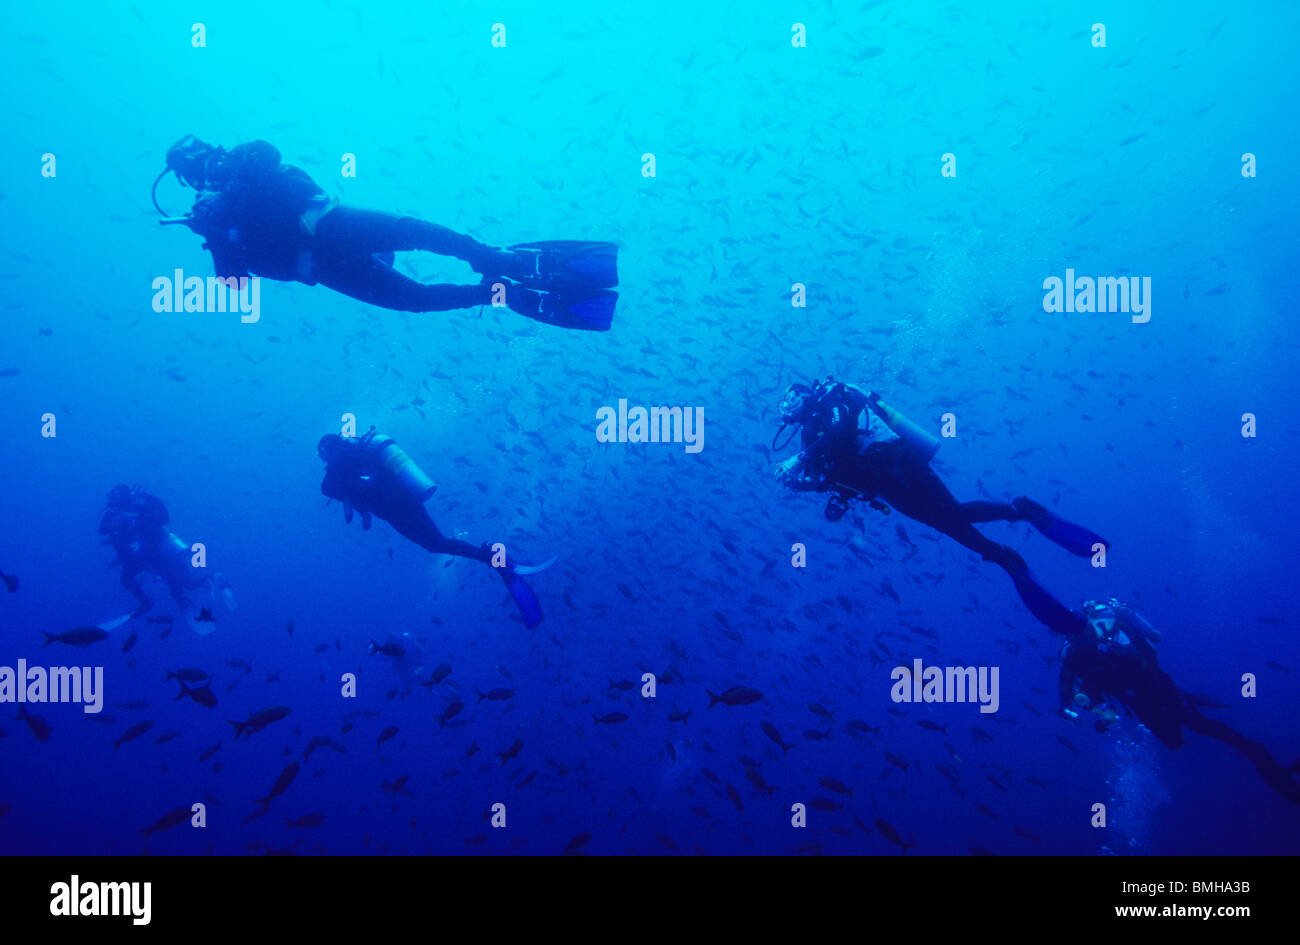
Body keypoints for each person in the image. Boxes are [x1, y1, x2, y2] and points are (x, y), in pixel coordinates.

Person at [153, 136, 619, 330]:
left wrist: (228, 177)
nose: (201, 170)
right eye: (192, 171)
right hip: (321, 265)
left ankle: (496, 260)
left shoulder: (242, 162)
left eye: (198, 162)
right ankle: (495, 293)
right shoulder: (209, 218)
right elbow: (235, 286)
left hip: (331, 225)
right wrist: (211, 235)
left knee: (411, 230)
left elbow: (268, 154)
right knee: (411, 299)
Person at [771, 379, 1107, 634]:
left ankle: (1020, 510)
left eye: (791, 397)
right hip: (883, 486)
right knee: (943, 524)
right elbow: (828, 478)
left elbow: (845, 429)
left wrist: (800, 459)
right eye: (785, 403)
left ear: (805, 395)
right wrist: (801, 482)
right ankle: (1001, 556)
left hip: (897, 461)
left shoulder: (831, 400)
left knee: (952, 513)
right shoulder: (810, 435)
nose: (788, 406)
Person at [1059, 599, 1300, 805]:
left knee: (1201, 725)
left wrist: (1119, 652)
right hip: (1139, 703)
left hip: (1159, 688)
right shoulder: (1074, 655)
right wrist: (1099, 709)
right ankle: (1192, 701)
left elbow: (1150, 656)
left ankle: (1264, 761)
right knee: (1173, 742)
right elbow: (1078, 694)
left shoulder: (1117, 633)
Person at [317, 428, 552, 627]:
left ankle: (489, 556)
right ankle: (491, 557)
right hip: (409, 499)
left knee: (436, 544)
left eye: (323, 455)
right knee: (437, 542)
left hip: (395, 512)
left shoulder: (336, 473)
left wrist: (361, 510)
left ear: (327, 452)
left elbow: (336, 492)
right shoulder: (362, 451)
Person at [98, 484, 235, 633]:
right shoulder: (112, 512)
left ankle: (213, 578)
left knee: (187, 583)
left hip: (160, 551)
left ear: (124, 496)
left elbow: (163, 519)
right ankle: (147, 603)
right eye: (112, 496)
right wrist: (116, 520)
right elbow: (102, 530)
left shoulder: (140, 504)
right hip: (137, 557)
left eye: (116, 496)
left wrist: (136, 518)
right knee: (126, 580)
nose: (112, 499)